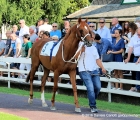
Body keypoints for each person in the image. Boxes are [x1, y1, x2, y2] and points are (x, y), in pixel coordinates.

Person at [78, 41, 106, 113]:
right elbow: (75, 57)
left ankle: (92, 99)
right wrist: (81, 50)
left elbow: (97, 59)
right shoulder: (80, 45)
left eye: (93, 37)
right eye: (91, 37)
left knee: (98, 87)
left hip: (94, 70)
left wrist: (102, 67)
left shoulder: (93, 47)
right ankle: (93, 106)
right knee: (90, 88)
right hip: (83, 70)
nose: (92, 39)